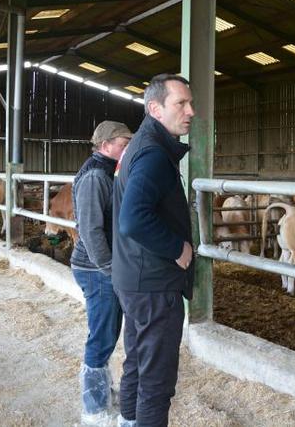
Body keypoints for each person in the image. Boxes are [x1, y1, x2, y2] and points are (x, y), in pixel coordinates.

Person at [111, 74, 196, 427]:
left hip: (134, 276)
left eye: (191, 103)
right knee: (157, 382)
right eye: (181, 104)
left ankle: (126, 422)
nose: (191, 111)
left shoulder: (141, 145)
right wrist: (177, 248)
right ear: (155, 108)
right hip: (154, 283)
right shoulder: (152, 154)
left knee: (136, 363)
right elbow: (133, 218)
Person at [71, 120, 132, 425]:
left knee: (106, 332)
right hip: (95, 269)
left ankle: (103, 393)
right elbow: (91, 231)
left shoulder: (107, 171)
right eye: (123, 143)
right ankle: (94, 410)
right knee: (102, 336)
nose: (127, 148)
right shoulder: (96, 177)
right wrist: (109, 269)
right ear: (106, 144)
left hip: (101, 267)